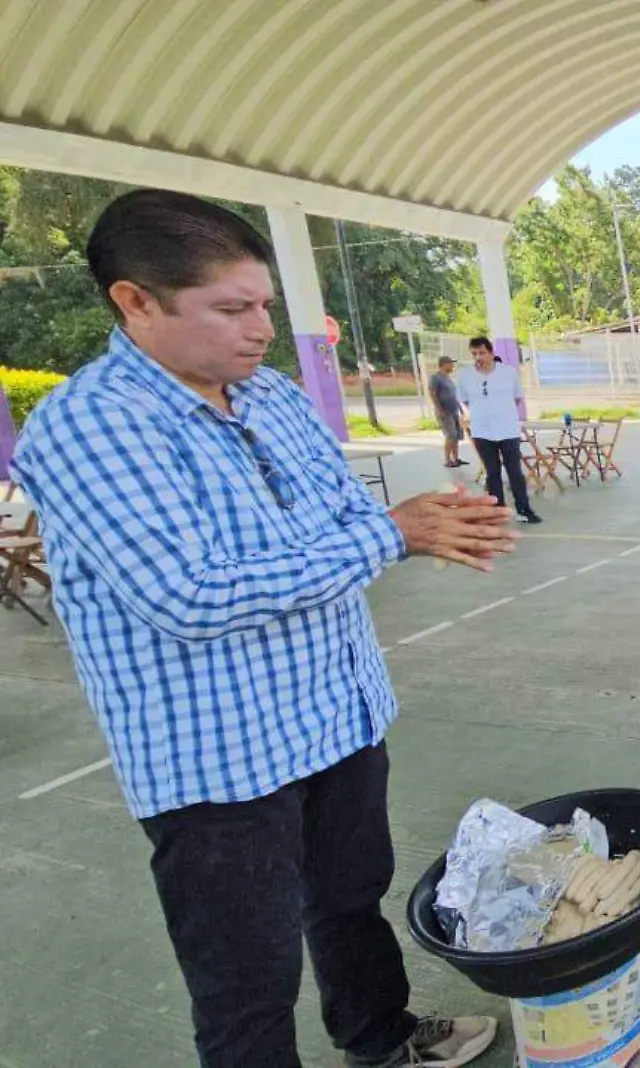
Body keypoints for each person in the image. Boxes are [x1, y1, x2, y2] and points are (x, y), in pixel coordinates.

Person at [10, 189, 512, 1068]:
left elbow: (332, 520)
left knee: (351, 897)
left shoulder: (272, 395)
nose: (259, 330)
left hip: (335, 712)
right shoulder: (91, 425)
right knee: (247, 981)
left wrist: (408, 521)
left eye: (265, 307)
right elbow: (190, 594)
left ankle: (379, 1036)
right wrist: (392, 535)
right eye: (230, 309)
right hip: (220, 763)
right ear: (135, 302)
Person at [456, 336, 541, 524]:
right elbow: (465, 400)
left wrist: (502, 411)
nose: (479, 357)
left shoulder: (508, 373)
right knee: (492, 472)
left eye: (482, 353)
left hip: (508, 429)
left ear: (491, 352)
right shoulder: (465, 375)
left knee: (514, 472)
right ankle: (497, 510)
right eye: (474, 354)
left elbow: (517, 398)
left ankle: (524, 509)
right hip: (482, 431)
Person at [428, 355, 467, 469]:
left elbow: (454, 396)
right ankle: (447, 460)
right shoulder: (435, 378)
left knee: (457, 435)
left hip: (454, 410)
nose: (452, 366)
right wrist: (440, 409)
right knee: (451, 435)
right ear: (444, 364)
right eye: (450, 363)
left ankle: (456, 458)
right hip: (445, 411)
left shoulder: (448, 379)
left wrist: (460, 409)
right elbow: (432, 393)